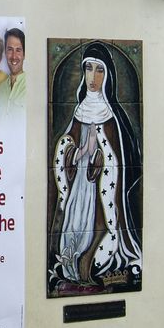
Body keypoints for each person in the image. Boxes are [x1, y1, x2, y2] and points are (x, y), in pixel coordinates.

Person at [50, 52, 138, 292]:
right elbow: (67, 147)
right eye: (89, 68)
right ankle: (70, 263)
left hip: (99, 192)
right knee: (73, 227)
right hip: (79, 186)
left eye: (99, 70)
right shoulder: (80, 111)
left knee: (97, 238)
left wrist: (99, 157)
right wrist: (77, 152)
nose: (93, 76)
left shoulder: (111, 117)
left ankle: (89, 265)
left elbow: (118, 159)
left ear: (106, 76)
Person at [0, 28, 31, 115]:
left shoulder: (31, 87)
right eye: (10, 49)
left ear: (24, 54)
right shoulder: (0, 89)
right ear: (5, 53)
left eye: (18, 50)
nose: (14, 56)